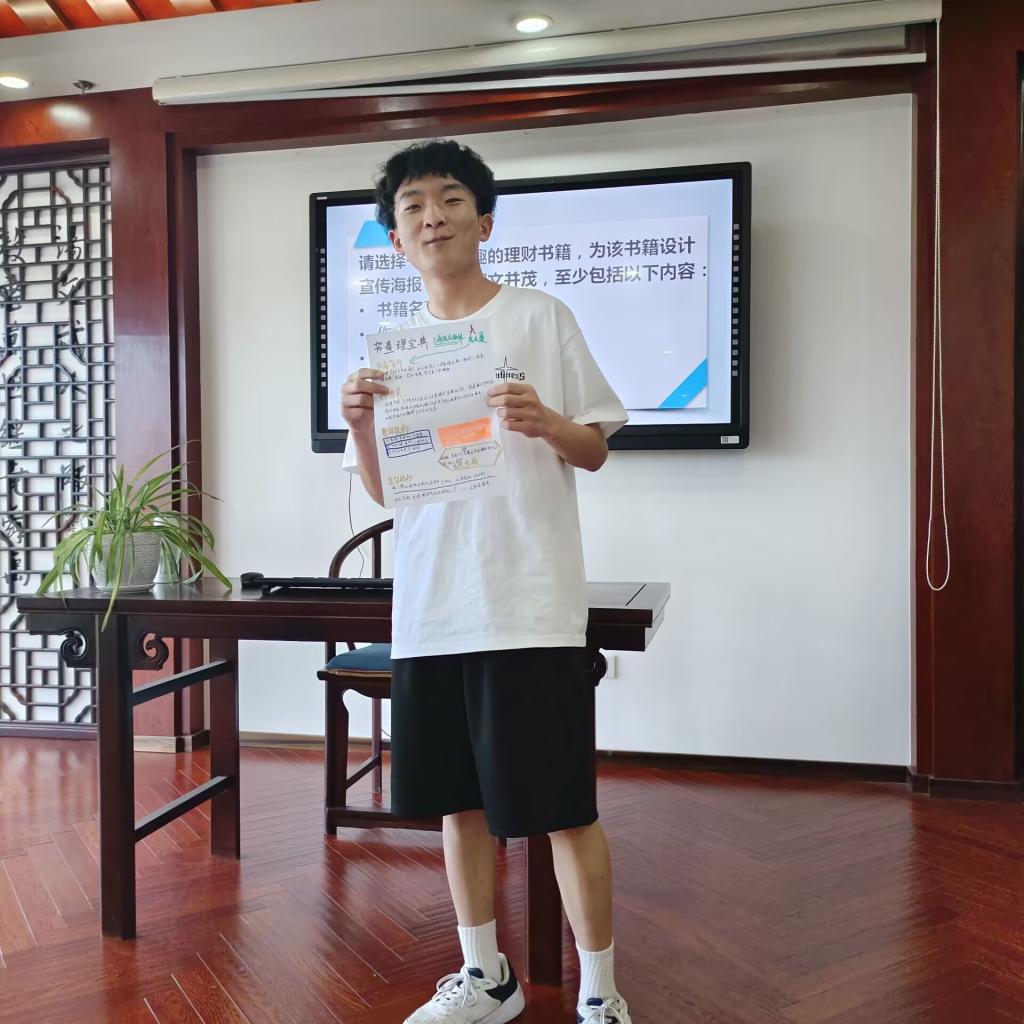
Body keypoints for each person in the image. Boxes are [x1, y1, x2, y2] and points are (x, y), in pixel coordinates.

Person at [341, 138, 631, 1024]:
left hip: (529, 601)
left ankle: (600, 992)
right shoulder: (393, 356)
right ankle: (486, 978)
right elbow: (389, 493)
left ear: (485, 221)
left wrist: (546, 421)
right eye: (413, 206)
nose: (433, 216)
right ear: (397, 240)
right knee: (456, 806)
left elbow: (595, 449)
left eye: (451, 199)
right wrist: (361, 426)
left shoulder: (541, 316)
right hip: (432, 608)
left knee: (563, 808)